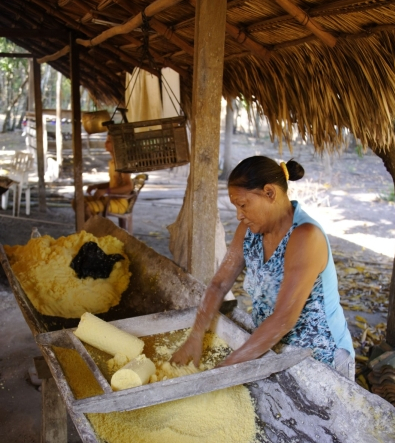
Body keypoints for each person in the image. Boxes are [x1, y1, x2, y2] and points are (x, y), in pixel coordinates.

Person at [171, 156, 355, 379]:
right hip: (273, 348)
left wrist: (225, 368)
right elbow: (219, 284)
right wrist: (196, 335)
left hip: (320, 357)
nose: (239, 215)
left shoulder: (305, 237)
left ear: (270, 193)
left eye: (243, 205)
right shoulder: (249, 230)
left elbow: (283, 319)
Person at [83, 134, 133, 220]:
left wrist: (106, 191)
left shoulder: (122, 163)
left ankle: (94, 232)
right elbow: (113, 183)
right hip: (110, 198)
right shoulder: (112, 162)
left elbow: (129, 187)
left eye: (109, 141)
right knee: (79, 202)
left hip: (119, 203)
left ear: (117, 145)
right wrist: (96, 186)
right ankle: (91, 229)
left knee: (87, 208)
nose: (105, 143)